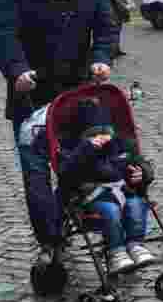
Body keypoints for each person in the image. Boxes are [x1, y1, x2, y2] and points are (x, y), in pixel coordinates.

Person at [0, 0, 115, 270]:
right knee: (35, 174)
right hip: (30, 95)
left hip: (77, 94)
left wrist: (101, 58)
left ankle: (68, 223)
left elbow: (106, 28)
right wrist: (17, 70)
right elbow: (4, 34)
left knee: (78, 164)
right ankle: (49, 243)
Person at [59, 97, 155, 273]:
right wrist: (85, 150)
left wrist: (143, 173)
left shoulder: (122, 145)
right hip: (93, 195)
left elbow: (141, 162)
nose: (101, 138)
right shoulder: (75, 151)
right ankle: (116, 251)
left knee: (136, 204)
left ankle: (135, 244)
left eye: (105, 132)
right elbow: (66, 174)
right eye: (93, 134)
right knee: (111, 211)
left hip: (124, 190)